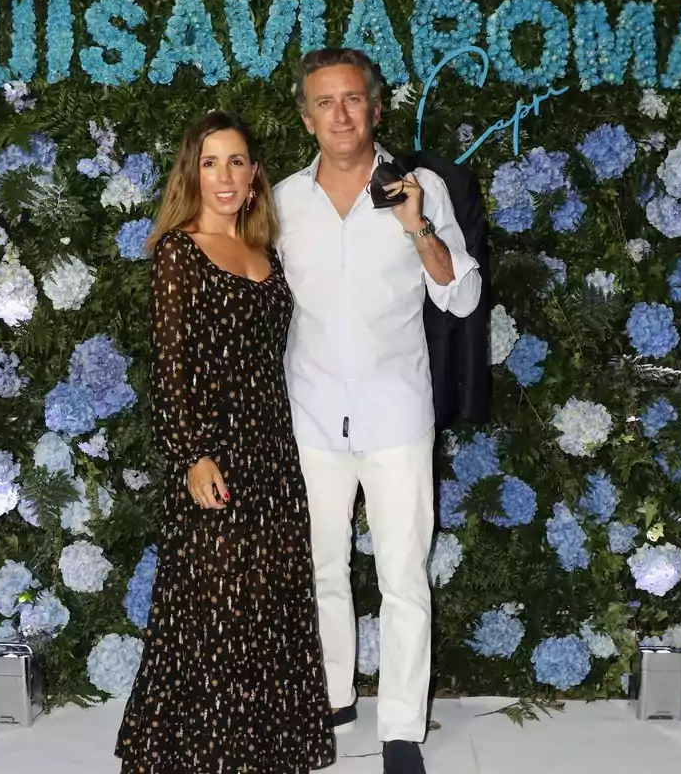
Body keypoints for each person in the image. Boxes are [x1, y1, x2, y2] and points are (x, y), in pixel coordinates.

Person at [273, 49, 483, 774]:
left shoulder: (415, 186)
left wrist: (417, 225)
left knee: (402, 573)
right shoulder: (283, 200)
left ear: (375, 108)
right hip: (311, 411)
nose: (340, 114)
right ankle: (330, 704)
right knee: (320, 566)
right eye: (325, 102)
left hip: (396, 414)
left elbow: (461, 294)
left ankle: (400, 730)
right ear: (306, 117)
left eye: (353, 100)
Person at [116, 110, 336, 773]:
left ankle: (266, 750)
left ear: (255, 174)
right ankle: (208, 754)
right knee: (215, 605)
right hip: (215, 453)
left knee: (270, 597)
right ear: (192, 172)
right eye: (210, 162)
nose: (224, 176)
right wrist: (190, 455)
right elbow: (172, 366)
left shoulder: (266, 254)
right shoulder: (180, 252)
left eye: (236, 161)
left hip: (273, 448)